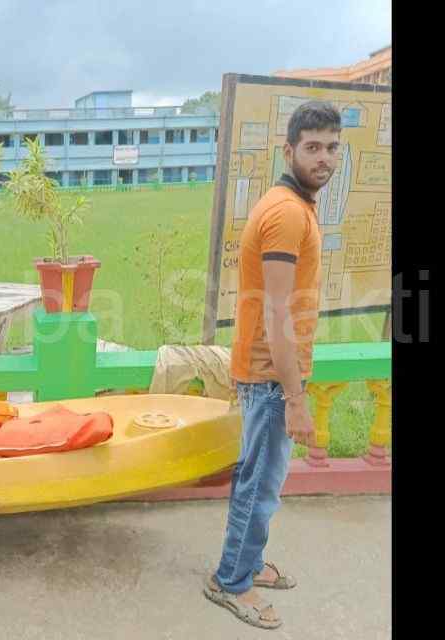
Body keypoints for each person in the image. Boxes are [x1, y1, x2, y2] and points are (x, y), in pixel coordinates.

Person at [204, 101, 342, 630]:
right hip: (270, 377)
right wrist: (296, 397)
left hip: (269, 375)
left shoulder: (294, 204)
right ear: (290, 151)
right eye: (312, 147)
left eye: (332, 147)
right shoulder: (287, 213)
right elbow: (277, 313)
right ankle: (231, 581)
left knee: (263, 480)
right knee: (259, 483)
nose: (324, 158)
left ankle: (248, 562)